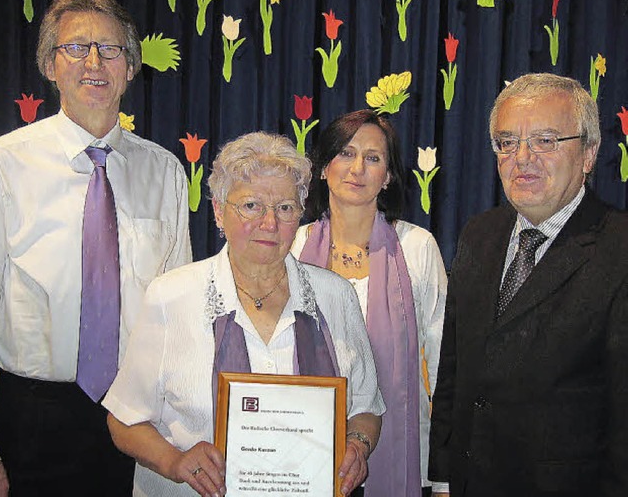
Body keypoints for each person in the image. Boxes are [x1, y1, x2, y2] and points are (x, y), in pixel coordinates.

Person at [103, 131, 385, 497]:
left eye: (285, 208)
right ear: (219, 211)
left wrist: (358, 445)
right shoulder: (172, 296)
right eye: (251, 205)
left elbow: (366, 407)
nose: (270, 223)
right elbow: (124, 420)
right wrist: (174, 461)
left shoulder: (335, 296)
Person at [0, 0, 192, 495]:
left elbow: (178, 317)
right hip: (33, 420)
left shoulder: (164, 171)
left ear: (130, 68)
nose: (95, 63)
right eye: (77, 47)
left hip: (138, 418)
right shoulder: (3, 165)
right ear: (50, 66)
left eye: (111, 49)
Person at [428, 73, 628, 497]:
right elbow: (455, 371)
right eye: (506, 142)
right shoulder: (479, 234)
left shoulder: (619, 249)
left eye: (545, 141)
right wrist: (444, 478)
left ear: (589, 154)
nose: (522, 158)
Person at [291, 109, 447, 497]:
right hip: (300, 453)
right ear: (323, 168)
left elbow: (445, 364)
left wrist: (446, 478)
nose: (357, 167)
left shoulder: (417, 248)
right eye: (346, 153)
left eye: (373, 158)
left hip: (405, 453)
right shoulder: (291, 245)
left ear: (388, 176)